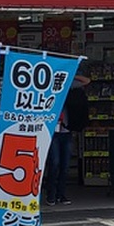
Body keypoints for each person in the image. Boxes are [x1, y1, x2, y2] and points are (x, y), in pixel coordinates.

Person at [45, 74, 89, 205]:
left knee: (65, 165)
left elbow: (87, 80)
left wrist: (71, 73)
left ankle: (60, 194)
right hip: (53, 133)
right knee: (55, 163)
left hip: (66, 131)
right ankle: (51, 194)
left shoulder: (68, 86)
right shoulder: (48, 88)